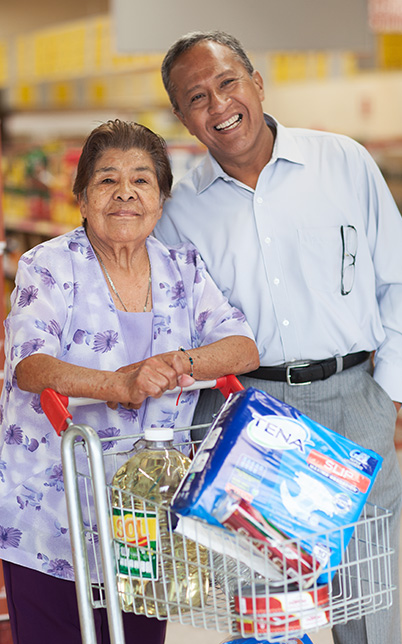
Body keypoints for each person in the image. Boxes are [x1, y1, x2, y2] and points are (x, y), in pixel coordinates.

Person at [154, 31, 402, 644]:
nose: (218, 106)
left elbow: (397, 277)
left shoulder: (342, 161)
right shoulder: (180, 209)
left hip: (352, 399)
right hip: (246, 414)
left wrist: (387, 395)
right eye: (196, 98)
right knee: (265, 602)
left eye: (227, 83)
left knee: (368, 596)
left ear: (256, 83)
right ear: (183, 118)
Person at [0, 119, 259, 644]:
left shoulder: (182, 269)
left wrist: (182, 360)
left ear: (161, 200)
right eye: (106, 180)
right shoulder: (46, 267)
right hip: (51, 515)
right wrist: (121, 383)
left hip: (145, 513)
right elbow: (31, 365)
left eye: (142, 180)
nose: (125, 193)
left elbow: (243, 348)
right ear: (82, 198)